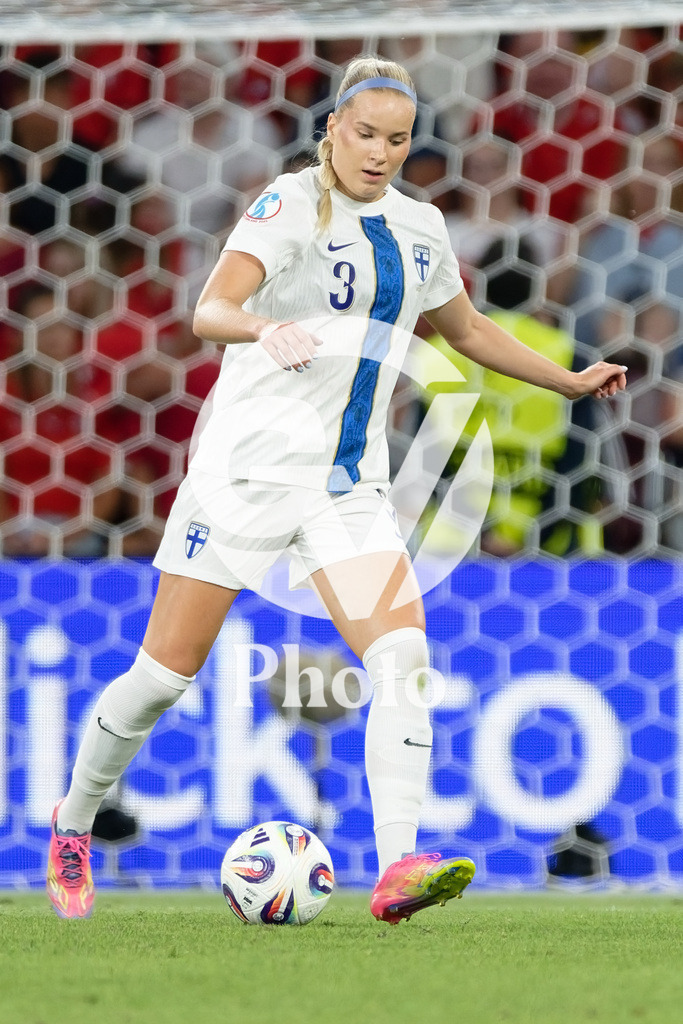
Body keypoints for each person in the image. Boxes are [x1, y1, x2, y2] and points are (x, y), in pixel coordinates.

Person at [46, 55, 627, 923]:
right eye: (364, 135)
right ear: (332, 133)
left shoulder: (420, 226)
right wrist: (264, 327)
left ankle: (397, 868)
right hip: (245, 476)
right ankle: (74, 820)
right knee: (164, 676)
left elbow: (463, 329)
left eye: (396, 139)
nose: (379, 152)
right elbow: (211, 308)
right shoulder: (289, 204)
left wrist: (567, 380)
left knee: (401, 658)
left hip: (348, 486)